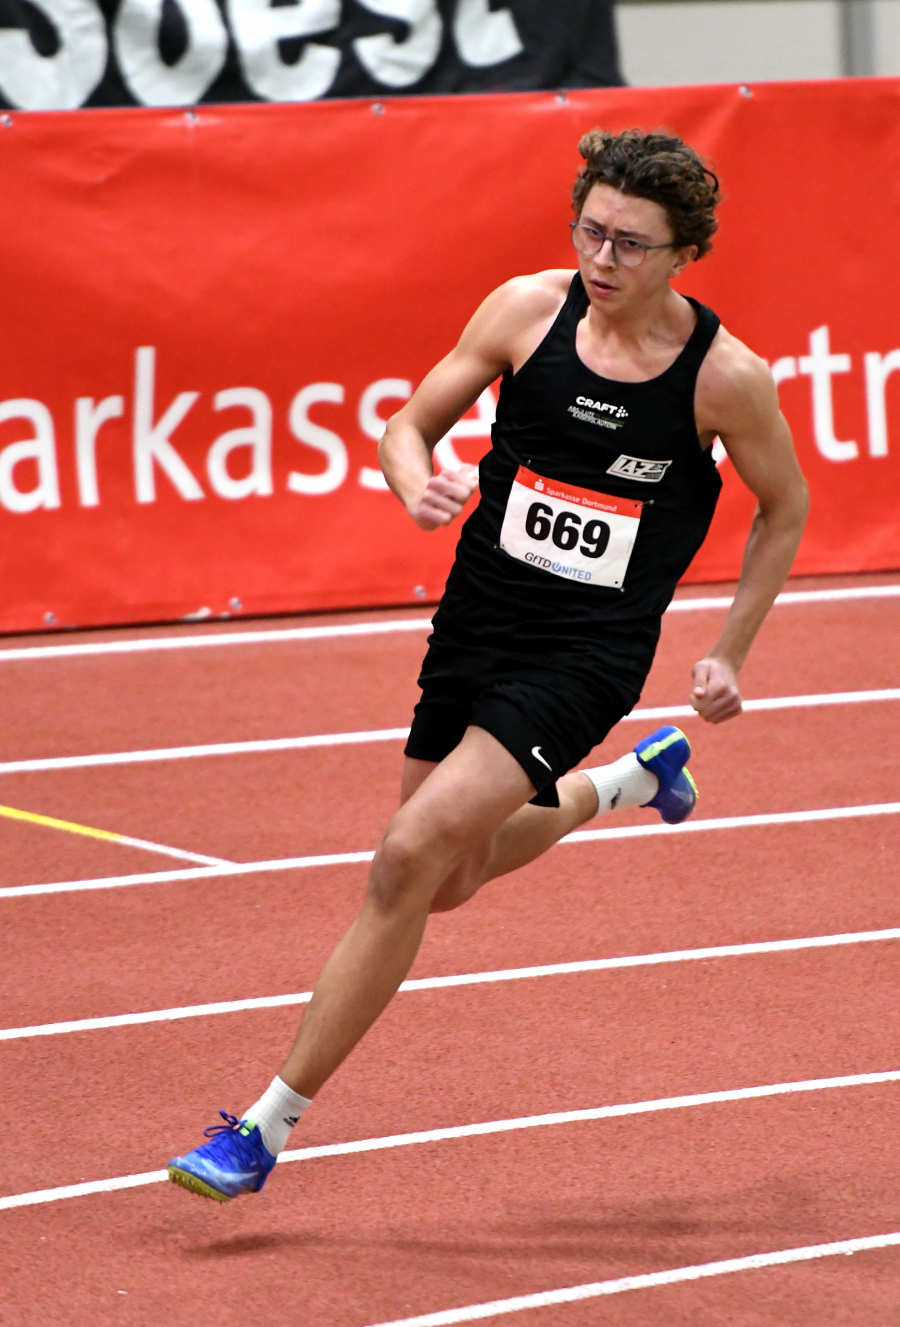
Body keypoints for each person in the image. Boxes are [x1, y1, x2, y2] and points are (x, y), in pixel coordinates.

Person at [168, 127, 809, 1201]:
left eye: (631, 245)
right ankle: (628, 783)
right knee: (451, 878)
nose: (602, 258)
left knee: (405, 857)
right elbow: (407, 425)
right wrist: (414, 483)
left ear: (684, 253)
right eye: (590, 231)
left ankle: (262, 1128)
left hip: (586, 653)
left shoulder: (723, 378)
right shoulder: (524, 310)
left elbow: (784, 506)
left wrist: (729, 650)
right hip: (476, 621)